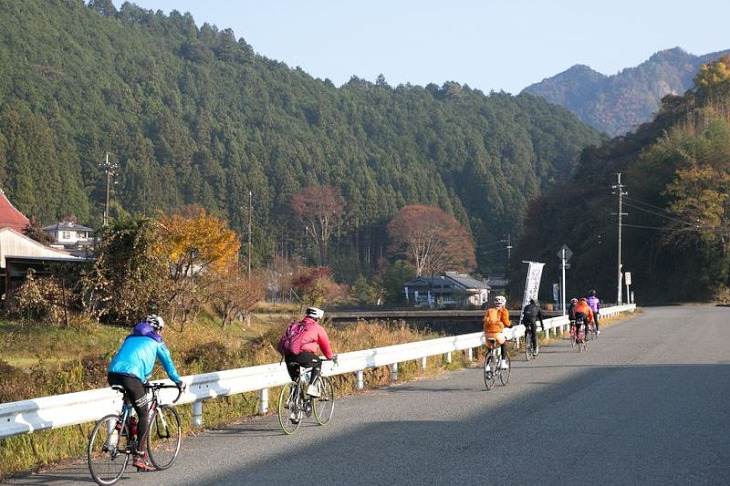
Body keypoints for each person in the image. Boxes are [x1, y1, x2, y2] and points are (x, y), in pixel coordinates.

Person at [107, 315, 186, 472]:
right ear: (158, 329)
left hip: (113, 374)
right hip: (132, 377)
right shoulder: (156, 340)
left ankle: (125, 427)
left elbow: (132, 360)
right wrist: (177, 381)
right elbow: (168, 363)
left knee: (131, 401)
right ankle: (140, 456)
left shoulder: (130, 338)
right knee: (144, 414)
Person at [283, 307, 335, 399]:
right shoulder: (318, 328)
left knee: (296, 380)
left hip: (288, 355)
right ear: (317, 318)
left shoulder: (295, 326)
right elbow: (325, 346)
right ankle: (311, 387)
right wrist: (330, 357)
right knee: (318, 362)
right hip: (302, 355)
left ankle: (292, 401)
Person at [483, 295, 512, 369]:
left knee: (489, 349)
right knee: (503, 344)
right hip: (497, 333)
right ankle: (503, 362)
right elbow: (505, 321)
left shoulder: (489, 310)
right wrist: (510, 325)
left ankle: (487, 367)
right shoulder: (503, 310)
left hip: (487, 334)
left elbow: (485, 321)